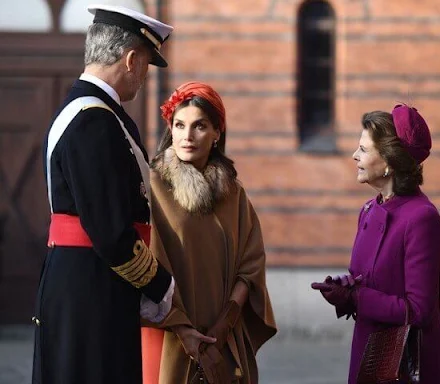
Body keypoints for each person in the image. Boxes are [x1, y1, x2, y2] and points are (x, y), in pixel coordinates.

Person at [36, 4, 176, 384]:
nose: (144, 78)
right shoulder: (93, 121)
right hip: (92, 292)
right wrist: (163, 290)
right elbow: (111, 232)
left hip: (89, 287)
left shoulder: (94, 114)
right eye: (146, 65)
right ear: (131, 59)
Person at [141, 82, 277, 384]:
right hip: (167, 334)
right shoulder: (151, 188)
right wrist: (182, 329)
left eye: (199, 126)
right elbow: (142, 263)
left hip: (222, 337)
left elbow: (251, 266)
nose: (187, 136)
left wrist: (223, 326)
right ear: (170, 130)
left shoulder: (234, 194)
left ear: (217, 132)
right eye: (179, 125)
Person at [311, 105, 440, 384]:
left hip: (404, 364)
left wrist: (356, 298)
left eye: (363, 149)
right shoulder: (369, 209)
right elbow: (370, 277)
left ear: (388, 161)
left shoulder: (422, 218)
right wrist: (344, 287)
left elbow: (419, 310)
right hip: (368, 350)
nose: (354, 156)